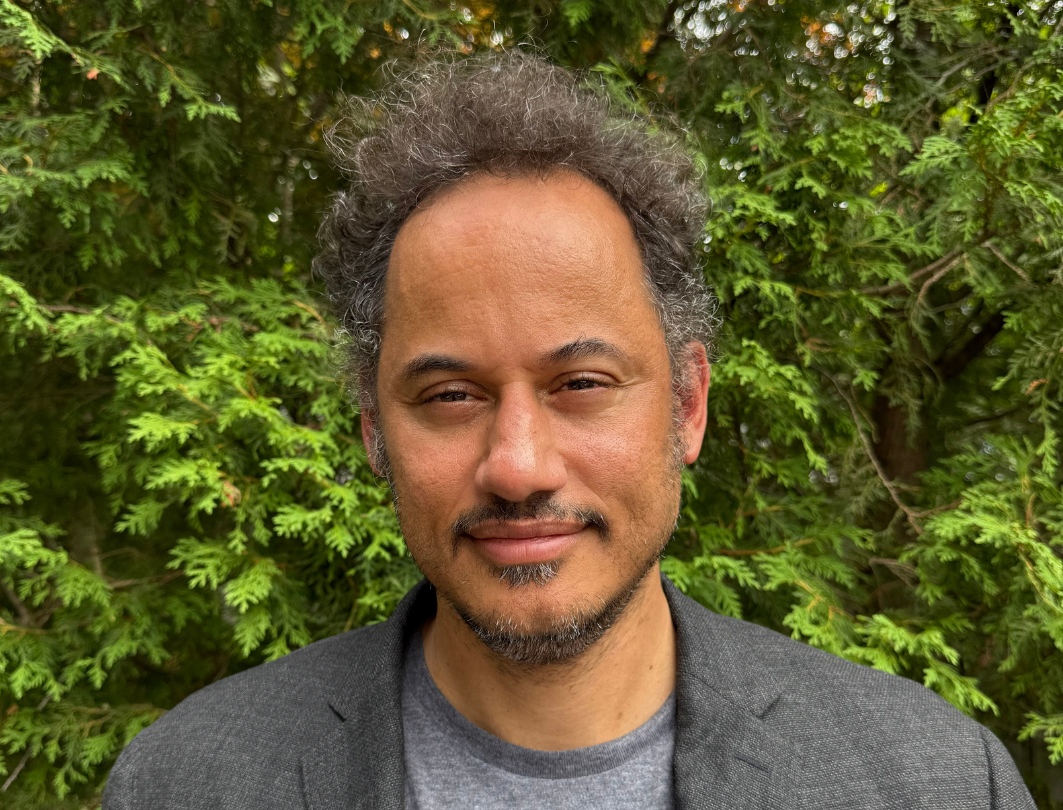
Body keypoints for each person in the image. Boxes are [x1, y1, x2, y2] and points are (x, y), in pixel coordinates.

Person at [103, 51, 1035, 809]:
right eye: (450, 396)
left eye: (582, 383)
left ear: (688, 404)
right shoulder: (184, 782)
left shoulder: (937, 781)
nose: (517, 466)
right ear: (373, 433)